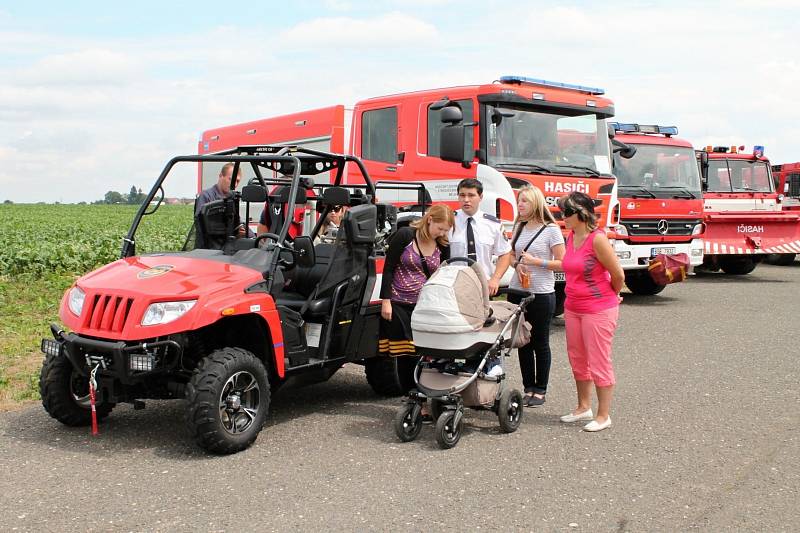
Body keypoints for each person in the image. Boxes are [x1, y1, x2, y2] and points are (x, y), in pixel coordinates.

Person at [556, 192, 625, 432]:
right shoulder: (571, 236)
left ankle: (603, 415)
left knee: (598, 360)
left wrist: (612, 294)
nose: (562, 216)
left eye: (566, 212)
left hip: (598, 308)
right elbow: (568, 267)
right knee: (577, 357)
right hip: (573, 306)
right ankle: (583, 406)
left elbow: (618, 274)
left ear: (581, 214)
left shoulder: (597, 239)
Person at [379, 205, 454, 415]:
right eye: (440, 228)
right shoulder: (405, 236)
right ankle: (413, 398)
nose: (442, 233)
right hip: (399, 302)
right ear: (429, 220)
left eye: (446, 230)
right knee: (406, 352)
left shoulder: (442, 245)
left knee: (427, 352)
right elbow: (389, 268)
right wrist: (386, 300)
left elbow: (444, 274)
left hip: (427, 305)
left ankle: (428, 394)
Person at [506, 185, 565, 407]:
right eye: (519, 200)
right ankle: (527, 387)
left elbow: (562, 263)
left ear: (536, 204)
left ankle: (540, 389)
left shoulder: (551, 229)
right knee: (522, 341)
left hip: (541, 293)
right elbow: (511, 254)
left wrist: (536, 262)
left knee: (540, 341)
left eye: (525, 201)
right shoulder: (519, 226)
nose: (520, 205)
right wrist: (517, 265)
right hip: (518, 291)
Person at [448, 178, 512, 295]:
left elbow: (505, 253)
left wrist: (495, 279)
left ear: (480, 197)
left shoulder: (493, 224)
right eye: (462, 195)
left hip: (483, 285)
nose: (466, 200)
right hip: (453, 284)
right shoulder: (448, 221)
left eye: (471, 195)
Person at [195, 163, 245, 238]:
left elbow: (238, 222)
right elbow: (201, 226)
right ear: (221, 176)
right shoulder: (206, 196)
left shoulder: (231, 200)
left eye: (237, 181)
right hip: (209, 248)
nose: (234, 184)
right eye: (231, 179)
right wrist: (232, 232)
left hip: (227, 246)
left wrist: (248, 234)